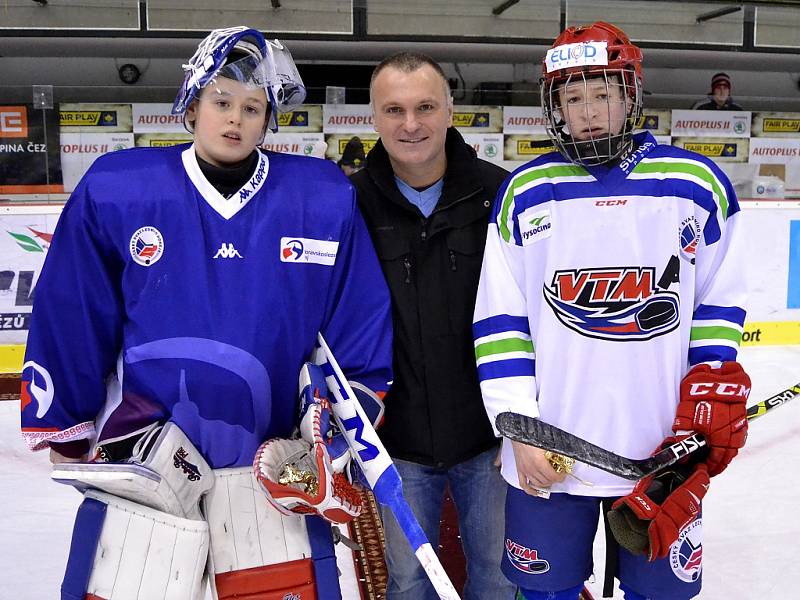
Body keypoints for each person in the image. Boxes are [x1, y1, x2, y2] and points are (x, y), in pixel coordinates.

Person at [20, 26, 392, 599]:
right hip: (145, 457)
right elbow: (73, 310)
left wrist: (341, 423)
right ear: (191, 106)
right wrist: (65, 419)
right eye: (221, 102)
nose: (235, 119)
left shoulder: (319, 195)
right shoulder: (120, 189)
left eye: (252, 107)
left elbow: (358, 318)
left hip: (273, 464)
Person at [474, 22, 750, 600]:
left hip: (661, 453)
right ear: (555, 108)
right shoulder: (527, 190)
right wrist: (519, 429)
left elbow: (719, 303)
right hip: (551, 453)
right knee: (546, 594)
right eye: (572, 98)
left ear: (630, 96)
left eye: (603, 94)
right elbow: (501, 324)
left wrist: (705, 396)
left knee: (660, 595)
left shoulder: (692, 182)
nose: (589, 111)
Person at [350, 52, 514, 600]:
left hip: (488, 437)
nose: (411, 124)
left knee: (497, 574)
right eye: (393, 109)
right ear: (373, 117)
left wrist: (521, 420)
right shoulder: (349, 203)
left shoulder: (501, 195)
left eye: (425, 107)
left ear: (450, 111)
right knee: (406, 577)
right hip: (396, 443)